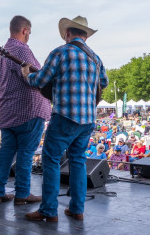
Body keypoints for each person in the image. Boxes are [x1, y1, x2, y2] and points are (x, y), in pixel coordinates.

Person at [22, 15, 108, 222]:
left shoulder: (60, 52)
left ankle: (49, 211)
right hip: (88, 119)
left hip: (65, 115)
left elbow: (41, 80)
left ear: (67, 33)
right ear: (85, 36)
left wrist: (27, 75)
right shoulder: (95, 58)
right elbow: (103, 83)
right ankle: (77, 209)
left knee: (50, 160)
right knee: (78, 161)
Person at [0, 16, 51, 205]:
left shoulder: (4, 52)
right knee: (26, 153)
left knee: (6, 151)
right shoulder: (21, 49)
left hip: (8, 110)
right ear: (24, 30)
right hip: (28, 111)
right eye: (29, 33)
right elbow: (36, 77)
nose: (29, 36)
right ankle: (23, 193)